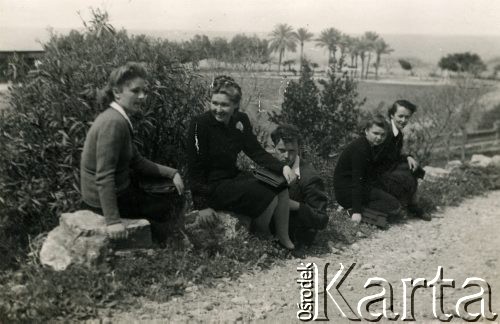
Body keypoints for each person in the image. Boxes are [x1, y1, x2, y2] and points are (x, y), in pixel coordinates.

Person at [187, 75, 296, 250]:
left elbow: (255, 151)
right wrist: (202, 205)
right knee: (264, 191)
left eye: (224, 105)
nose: (218, 109)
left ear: (235, 106)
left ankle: (284, 237)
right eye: (215, 103)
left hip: (232, 177)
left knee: (280, 184)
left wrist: (282, 167)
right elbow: (194, 167)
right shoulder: (200, 124)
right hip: (213, 186)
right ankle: (263, 233)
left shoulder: (240, 120)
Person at [80, 62, 185, 241]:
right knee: (169, 202)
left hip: (120, 189)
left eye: (144, 91)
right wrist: (113, 221)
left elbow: (136, 161)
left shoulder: (118, 117)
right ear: (117, 92)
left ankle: (161, 242)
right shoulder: (113, 123)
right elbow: (104, 175)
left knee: (168, 190)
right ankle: (163, 247)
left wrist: (172, 173)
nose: (142, 96)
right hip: (102, 202)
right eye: (135, 91)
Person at [333, 114, 401, 223]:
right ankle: (352, 211)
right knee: (393, 207)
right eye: (375, 133)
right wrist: (357, 212)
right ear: (366, 131)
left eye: (383, 135)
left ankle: (360, 210)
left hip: (353, 189)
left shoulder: (368, 145)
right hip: (347, 192)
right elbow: (357, 180)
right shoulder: (361, 150)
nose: (379, 138)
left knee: (393, 205)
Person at [270, 124, 329, 246]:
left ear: (299, 150)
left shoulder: (309, 177)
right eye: (281, 150)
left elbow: (322, 219)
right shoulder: (269, 165)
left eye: (292, 151)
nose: (286, 156)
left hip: (296, 235)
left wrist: (293, 205)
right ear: (273, 148)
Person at [372, 99, 430, 221]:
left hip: (388, 168)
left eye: (407, 117)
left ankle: (412, 205)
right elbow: (375, 157)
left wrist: (408, 157)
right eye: (400, 116)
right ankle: (407, 205)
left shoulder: (398, 133)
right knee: (407, 173)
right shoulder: (386, 132)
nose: (403, 120)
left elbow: (394, 155)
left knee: (414, 167)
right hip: (377, 173)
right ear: (392, 115)